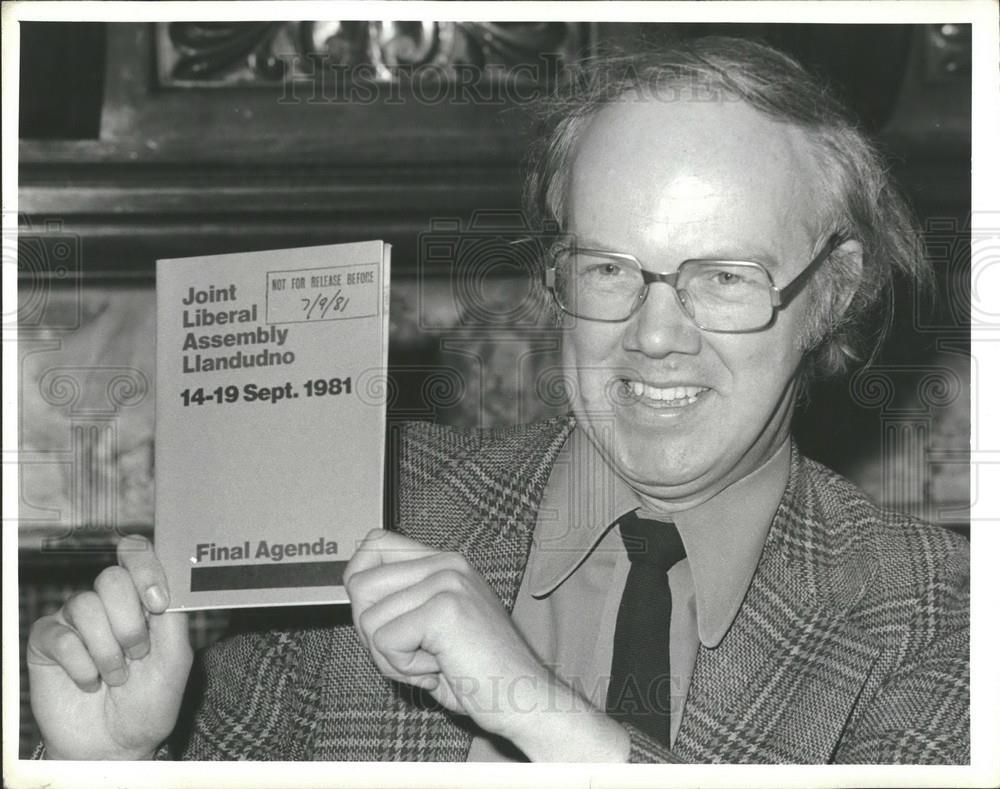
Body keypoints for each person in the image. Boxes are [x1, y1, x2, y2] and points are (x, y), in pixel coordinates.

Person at [27, 37, 969, 764]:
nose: (652, 334)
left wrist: (541, 712)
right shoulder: (366, 506)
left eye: (722, 277)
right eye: (607, 267)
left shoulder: (935, 613)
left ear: (833, 293)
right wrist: (116, 759)